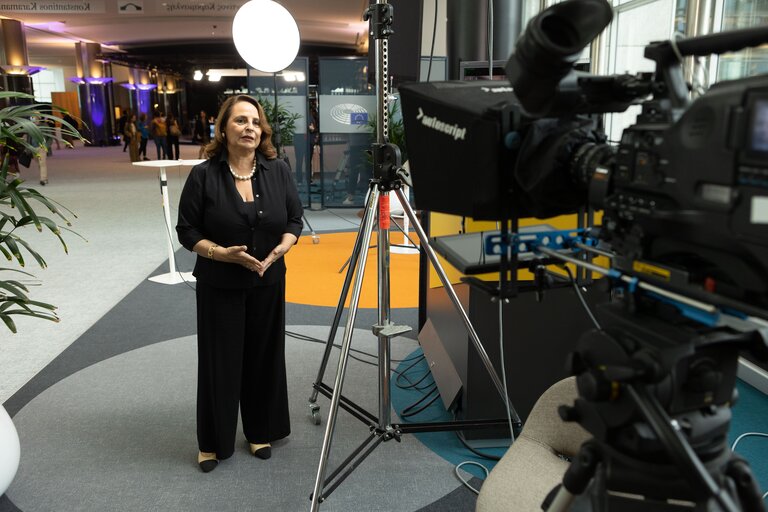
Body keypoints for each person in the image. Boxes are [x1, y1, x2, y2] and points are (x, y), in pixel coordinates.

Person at [176, 95, 303, 473]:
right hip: (220, 282)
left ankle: (260, 431)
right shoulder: (203, 175)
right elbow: (188, 231)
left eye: (254, 121)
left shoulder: (277, 170)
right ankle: (213, 442)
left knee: (263, 359)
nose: (249, 127)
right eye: (240, 121)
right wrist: (220, 253)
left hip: (268, 279)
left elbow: (294, 219)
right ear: (223, 128)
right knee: (221, 362)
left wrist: (283, 247)